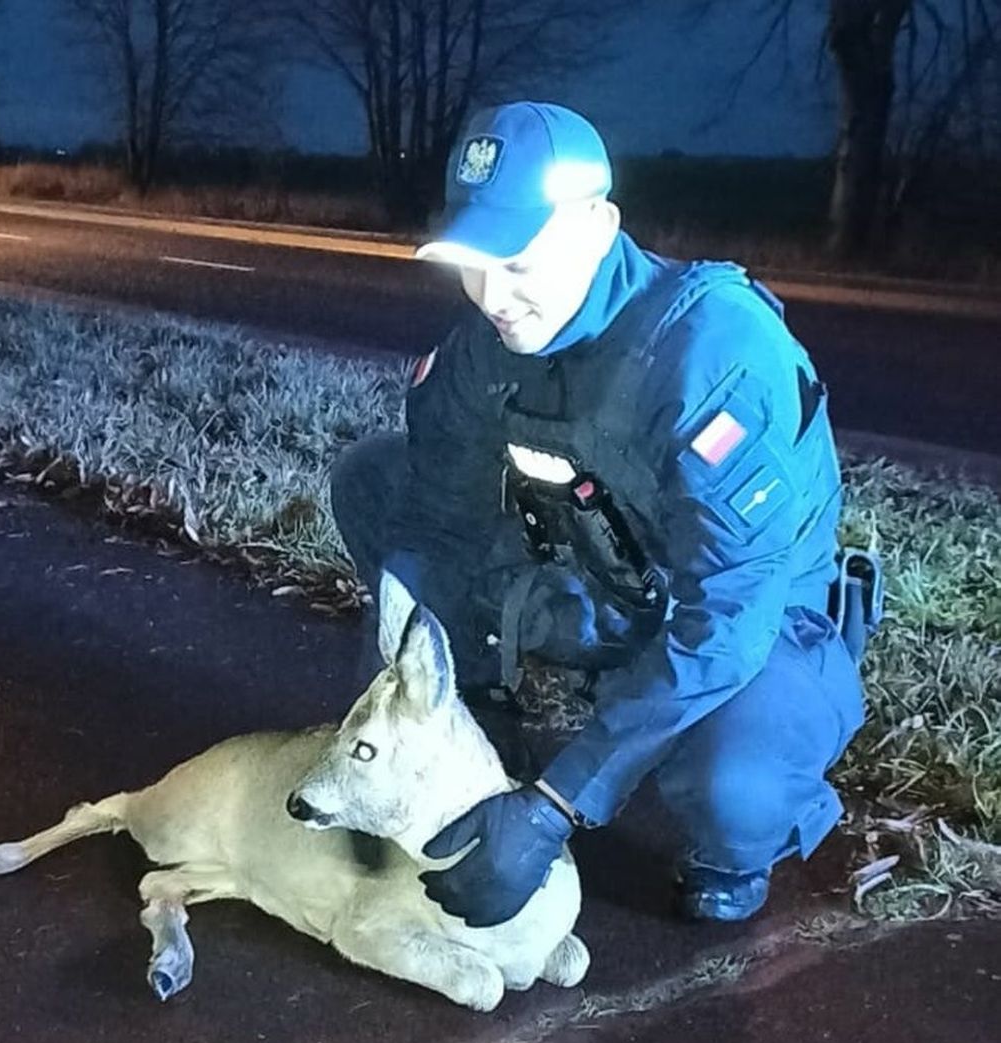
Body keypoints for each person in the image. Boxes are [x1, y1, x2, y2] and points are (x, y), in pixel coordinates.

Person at [330, 101, 881, 927]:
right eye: (474, 262)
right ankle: (482, 720)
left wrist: (554, 805)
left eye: (518, 261)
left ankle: (732, 854)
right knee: (370, 477)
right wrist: (414, 681)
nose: (491, 296)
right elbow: (434, 521)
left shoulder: (714, 357)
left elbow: (724, 622)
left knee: (737, 789)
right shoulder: (483, 347)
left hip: (742, 623)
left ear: (597, 225)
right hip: (597, 575)